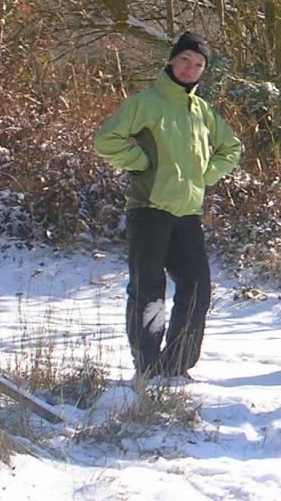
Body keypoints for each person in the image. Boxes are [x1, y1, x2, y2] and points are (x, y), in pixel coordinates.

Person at [93, 32, 243, 382]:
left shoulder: (202, 111)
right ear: (172, 61)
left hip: (187, 214)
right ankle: (147, 365)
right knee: (148, 288)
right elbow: (106, 139)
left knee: (197, 287)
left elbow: (231, 148)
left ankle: (176, 365)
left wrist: (205, 174)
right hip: (149, 209)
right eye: (185, 61)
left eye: (199, 65)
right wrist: (141, 162)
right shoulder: (147, 102)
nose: (191, 69)